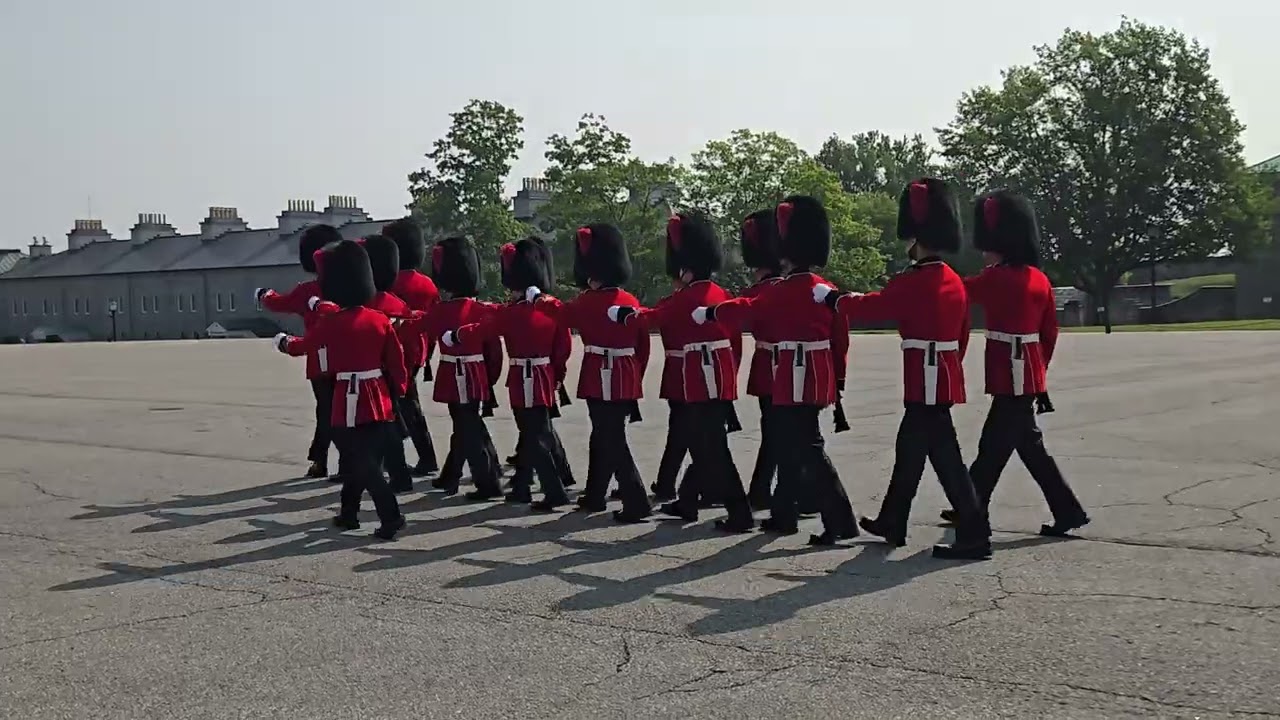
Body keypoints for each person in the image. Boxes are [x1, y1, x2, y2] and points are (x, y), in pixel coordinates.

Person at [818, 177, 991, 560]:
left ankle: (976, 531)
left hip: (925, 378)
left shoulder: (917, 281)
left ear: (916, 237)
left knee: (947, 461)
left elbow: (872, 308)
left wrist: (834, 300)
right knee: (910, 450)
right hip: (940, 375)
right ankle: (893, 519)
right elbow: (961, 337)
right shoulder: (953, 281)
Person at [695, 196, 859, 546]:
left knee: (808, 447)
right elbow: (839, 340)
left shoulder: (784, 291)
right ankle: (784, 514)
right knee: (789, 446)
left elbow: (746, 308)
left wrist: (711, 313)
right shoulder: (823, 289)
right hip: (813, 376)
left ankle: (840, 518)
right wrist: (838, 378)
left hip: (793, 377)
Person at [938, 190, 1090, 537]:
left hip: (1009, 374)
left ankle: (973, 508)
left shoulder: (997, 277)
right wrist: (1040, 375)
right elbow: (1049, 334)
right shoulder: (1039, 279)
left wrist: (931, 275)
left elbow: (957, 292)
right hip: (1029, 373)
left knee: (995, 448)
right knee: (1024, 447)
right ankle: (1064, 510)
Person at [610, 212, 753, 533]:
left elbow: (650, 320)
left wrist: (622, 314)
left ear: (685, 269)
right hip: (718, 380)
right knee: (704, 446)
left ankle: (740, 512)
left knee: (714, 449)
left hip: (698, 383)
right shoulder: (720, 294)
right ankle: (688, 500)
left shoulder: (685, 299)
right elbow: (735, 345)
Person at [272, 240, 406, 540]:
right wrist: (395, 393)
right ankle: (348, 513)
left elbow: (303, 347)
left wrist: (281, 341)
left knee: (360, 460)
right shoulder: (380, 320)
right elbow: (396, 364)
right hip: (378, 397)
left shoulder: (332, 322)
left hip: (349, 397)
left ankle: (391, 514)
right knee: (362, 457)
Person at [442, 237, 575, 511]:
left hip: (523, 379)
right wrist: (556, 376)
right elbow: (563, 347)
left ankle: (554, 491)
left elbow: (482, 329)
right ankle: (523, 486)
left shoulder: (512, 313)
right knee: (534, 433)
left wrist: (456, 334)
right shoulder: (551, 307)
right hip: (545, 376)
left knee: (533, 435)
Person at [552, 223, 652, 524]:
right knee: (604, 435)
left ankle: (636, 499)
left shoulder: (588, 301)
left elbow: (561, 315)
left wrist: (538, 300)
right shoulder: (630, 300)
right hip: (625, 373)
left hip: (600, 374)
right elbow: (643, 348)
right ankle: (596, 493)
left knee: (611, 438)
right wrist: (636, 377)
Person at [306, 235, 417, 493]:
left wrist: (284, 342)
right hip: (380, 382)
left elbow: (309, 344)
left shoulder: (337, 318)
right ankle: (356, 504)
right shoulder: (377, 312)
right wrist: (400, 384)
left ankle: (385, 503)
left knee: (360, 444)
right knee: (384, 435)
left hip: (362, 386)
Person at [401, 237, 503, 500]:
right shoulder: (482, 309)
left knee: (467, 428)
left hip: (453, 375)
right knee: (468, 424)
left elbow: (415, 327)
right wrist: (488, 379)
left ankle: (487, 482)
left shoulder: (441, 311)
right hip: (477, 374)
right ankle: (453, 474)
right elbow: (494, 352)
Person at [257, 224, 344, 480]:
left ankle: (323, 460)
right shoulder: (350, 289)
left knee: (326, 412)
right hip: (349, 359)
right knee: (340, 412)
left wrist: (264, 294)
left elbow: (278, 303)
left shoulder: (307, 291)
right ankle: (331, 459)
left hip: (319, 360)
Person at [383, 218, 440, 477]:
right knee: (408, 404)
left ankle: (402, 457)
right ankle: (423, 455)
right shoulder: (427, 283)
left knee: (396, 406)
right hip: (418, 349)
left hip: (393, 349)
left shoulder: (388, 284)